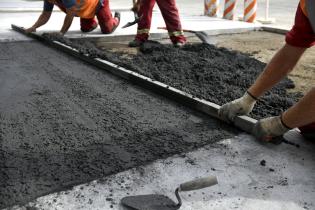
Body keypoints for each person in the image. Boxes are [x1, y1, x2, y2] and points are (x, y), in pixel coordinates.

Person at [218, 0, 315, 142]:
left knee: (301, 117)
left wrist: (281, 124)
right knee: (308, 125)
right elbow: (290, 53)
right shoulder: (307, 5)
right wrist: (249, 98)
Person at [25, 0, 120, 35]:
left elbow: (70, 14)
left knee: (107, 29)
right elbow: (45, 14)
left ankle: (116, 19)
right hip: (84, 9)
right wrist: (34, 27)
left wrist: (61, 33)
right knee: (86, 29)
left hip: (98, 4)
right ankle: (92, 21)